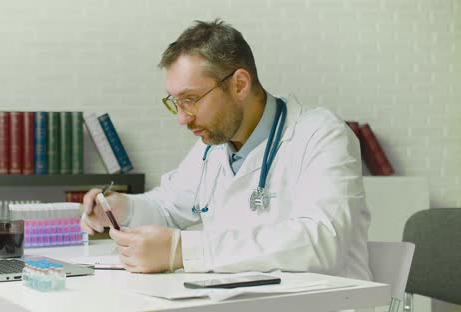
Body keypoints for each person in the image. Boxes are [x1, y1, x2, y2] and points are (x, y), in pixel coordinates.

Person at [81, 19, 372, 280]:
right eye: (176, 103)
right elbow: (168, 208)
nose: (182, 118)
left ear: (240, 85)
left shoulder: (321, 135)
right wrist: (124, 207)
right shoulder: (212, 147)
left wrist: (183, 249)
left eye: (191, 99)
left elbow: (321, 242)